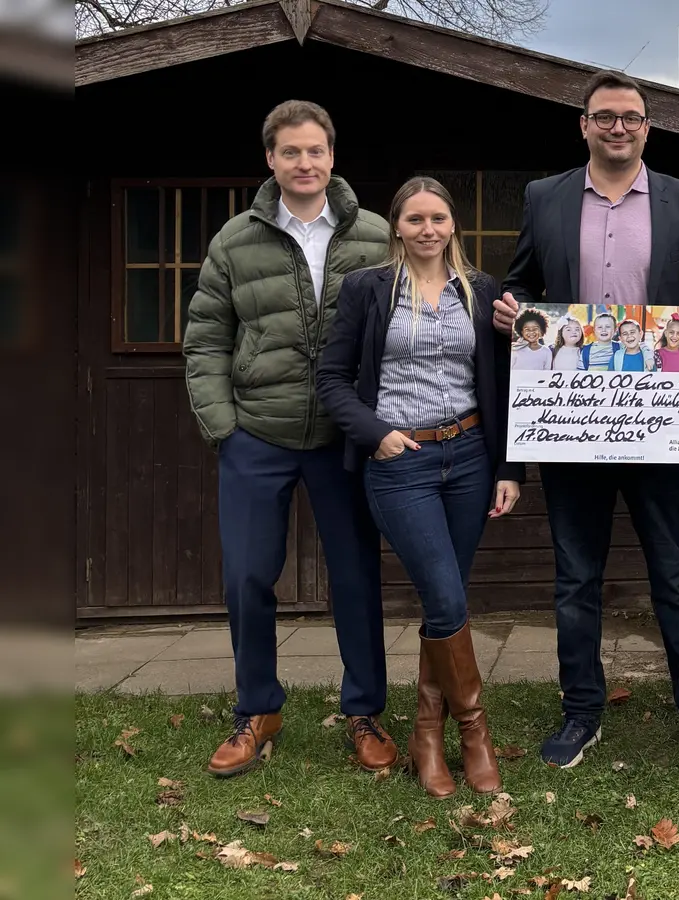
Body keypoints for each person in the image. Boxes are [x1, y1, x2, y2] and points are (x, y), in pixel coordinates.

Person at [492, 69, 679, 770]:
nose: (619, 127)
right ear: (584, 124)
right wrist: (513, 308)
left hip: (658, 421)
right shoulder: (545, 196)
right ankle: (580, 711)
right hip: (574, 421)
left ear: (647, 127)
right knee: (575, 578)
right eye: (605, 116)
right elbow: (519, 281)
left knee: (676, 575)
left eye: (630, 117)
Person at [182, 100, 393, 778]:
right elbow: (207, 339)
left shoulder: (375, 236)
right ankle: (258, 709)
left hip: (344, 438)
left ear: (333, 157)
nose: (305, 163)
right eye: (290, 152)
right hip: (258, 436)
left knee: (356, 576)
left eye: (316, 151)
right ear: (270, 160)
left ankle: (363, 711)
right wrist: (224, 427)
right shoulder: (233, 241)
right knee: (247, 577)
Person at [315, 176, 524, 798]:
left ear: (451, 225)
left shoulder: (482, 292)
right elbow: (332, 379)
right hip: (400, 459)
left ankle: (426, 733)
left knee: (447, 598)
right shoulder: (368, 289)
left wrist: (508, 467)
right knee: (444, 594)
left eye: (438, 218)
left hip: (468, 455)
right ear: (396, 227)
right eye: (414, 219)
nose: (427, 229)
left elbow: (510, 379)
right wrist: (375, 432)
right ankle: (473, 733)